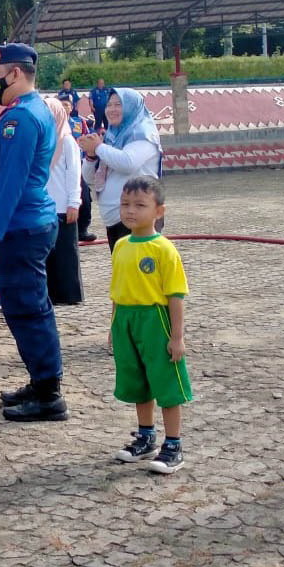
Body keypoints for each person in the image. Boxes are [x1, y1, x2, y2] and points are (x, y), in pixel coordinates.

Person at [0, 43, 68, 423]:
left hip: (20, 226)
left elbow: (12, 181)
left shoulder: (21, 119)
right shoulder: (23, 113)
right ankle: (40, 380)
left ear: (15, 74)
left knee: (30, 309)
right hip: (22, 224)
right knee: (23, 308)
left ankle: (49, 394)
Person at [107, 176, 191, 474]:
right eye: (125, 204)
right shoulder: (120, 245)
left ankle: (174, 444)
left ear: (159, 211)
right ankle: (145, 437)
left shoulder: (164, 249)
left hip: (155, 320)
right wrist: (113, 326)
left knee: (165, 382)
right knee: (137, 381)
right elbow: (116, 289)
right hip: (126, 320)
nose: (130, 211)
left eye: (140, 205)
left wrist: (177, 336)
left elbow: (176, 295)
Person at [78, 87, 164, 251]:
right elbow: (90, 179)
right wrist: (90, 156)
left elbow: (128, 162)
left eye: (119, 104)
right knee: (124, 271)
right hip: (115, 220)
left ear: (132, 106)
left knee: (140, 273)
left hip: (138, 218)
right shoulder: (111, 136)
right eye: (109, 105)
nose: (112, 109)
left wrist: (98, 147)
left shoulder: (143, 133)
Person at [43, 96, 84, 306]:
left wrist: (74, 202)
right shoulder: (42, 141)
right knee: (48, 253)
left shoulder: (68, 140)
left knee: (66, 252)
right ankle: (51, 294)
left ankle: (69, 294)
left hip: (64, 204)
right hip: (44, 205)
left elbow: (74, 173)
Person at [61, 96, 97, 243]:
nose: (64, 108)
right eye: (61, 105)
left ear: (71, 107)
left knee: (85, 197)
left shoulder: (79, 122)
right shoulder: (53, 124)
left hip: (79, 164)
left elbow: (87, 137)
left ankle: (82, 229)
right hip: (60, 166)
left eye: (66, 105)